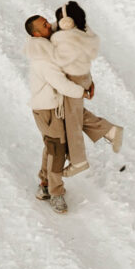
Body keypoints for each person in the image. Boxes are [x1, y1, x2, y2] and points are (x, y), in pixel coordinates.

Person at [47, 0, 121, 175]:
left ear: (67, 23)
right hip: (83, 76)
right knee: (74, 113)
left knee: (72, 121)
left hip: (72, 79)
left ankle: (78, 161)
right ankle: (109, 130)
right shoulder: (85, 33)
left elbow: (56, 62)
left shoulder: (64, 40)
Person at [24, 14, 84, 212]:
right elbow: (60, 83)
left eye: (47, 22)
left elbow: (59, 26)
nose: (49, 26)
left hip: (49, 108)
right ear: (36, 33)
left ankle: (44, 185)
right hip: (48, 110)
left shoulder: (42, 47)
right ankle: (55, 192)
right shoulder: (43, 58)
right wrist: (81, 92)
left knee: (52, 148)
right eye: (44, 25)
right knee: (57, 151)